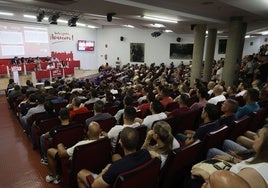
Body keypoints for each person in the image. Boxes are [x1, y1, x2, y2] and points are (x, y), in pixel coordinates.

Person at [193, 125, 268, 188]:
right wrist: (231, 158)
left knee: (192, 178)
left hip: (219, 179)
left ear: (265, 145)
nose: (254, 136)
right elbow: (247, 163)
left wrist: (206, 176)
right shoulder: (262, 160)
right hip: (228, 171)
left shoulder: (251, 175)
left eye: (258, 136)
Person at [76, 127, 152, 188]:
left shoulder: (115, 168)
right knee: (116, 156)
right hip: (137, 182)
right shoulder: (146, 154)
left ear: (120, 143)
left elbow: (94, 185)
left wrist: (104, 170)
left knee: (80, 173)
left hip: (104, 181)